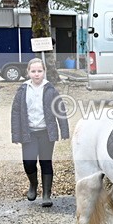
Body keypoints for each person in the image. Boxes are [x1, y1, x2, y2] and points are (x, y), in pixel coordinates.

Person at [11, 58, 70, 207]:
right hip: (29, 132)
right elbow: (16, 112)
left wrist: (64, 130)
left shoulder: (50, 89)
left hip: (46, 132)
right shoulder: (23, 90)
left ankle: (46, 194)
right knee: (29, 162)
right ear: (28, 72)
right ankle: (33, 184)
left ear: (44, 72)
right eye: (33, 71)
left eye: (39, 71)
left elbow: (60, 110)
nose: (36, 74)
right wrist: (16, 134)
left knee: (46, 162)